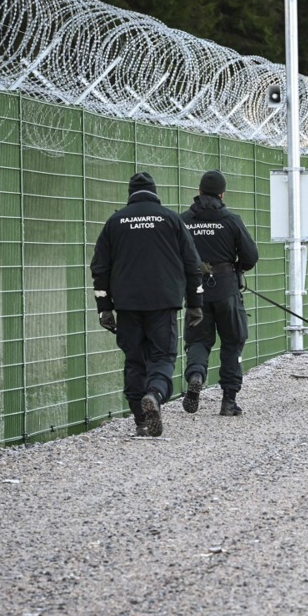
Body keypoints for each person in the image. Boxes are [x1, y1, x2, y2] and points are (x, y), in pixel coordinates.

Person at [90, 171, 204, 436]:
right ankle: (154, 394)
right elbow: (192, 264)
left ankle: (141, 419)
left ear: (130, 194)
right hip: (163, 302)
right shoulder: (171, 219)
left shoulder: (115, 222)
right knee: (162, 355)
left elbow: (100, 268)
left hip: (127, 305)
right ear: (155, 192)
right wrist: (195, 302)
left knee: (134, 359)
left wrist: (104, 307)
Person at [180, 170, 259, 416]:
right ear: (222, 194)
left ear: (200, 191)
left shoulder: (183, 221)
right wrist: (236, 269)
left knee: (198, 340)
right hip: (226, 288)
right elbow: (251, 256)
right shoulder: (230, 220)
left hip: (196, 291)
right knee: (233, 341)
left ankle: (196, 375)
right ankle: (228, 400)